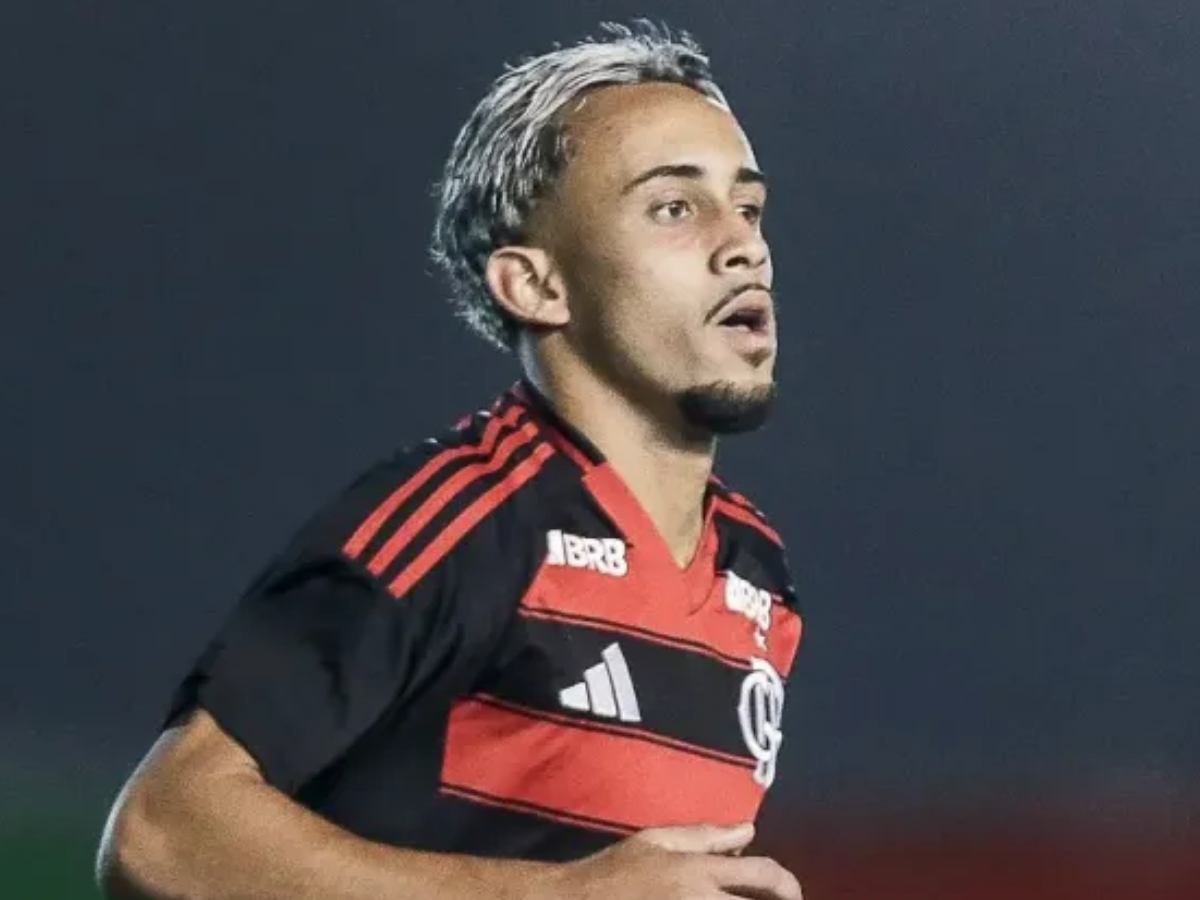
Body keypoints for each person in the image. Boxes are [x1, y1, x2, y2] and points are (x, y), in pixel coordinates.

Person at [97, 21, 805, 900]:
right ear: (536, 285)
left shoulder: (757, 571)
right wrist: (558, 897)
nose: (745, 245)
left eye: (748, 207)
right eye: (674, 207)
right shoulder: (460, 522)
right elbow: (163, 830)